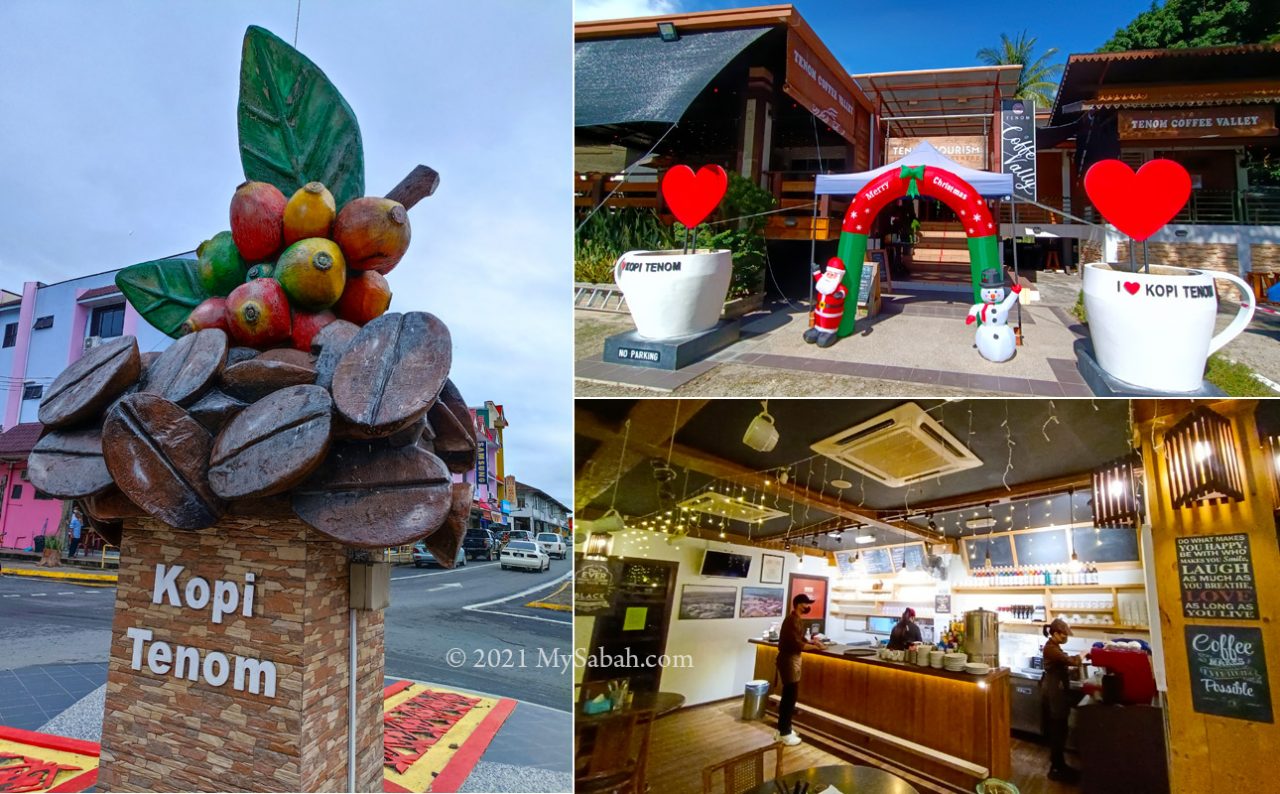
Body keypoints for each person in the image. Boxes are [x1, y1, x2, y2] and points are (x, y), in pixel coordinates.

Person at [774, 593, 826, 747]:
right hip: (789, 661)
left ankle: (784, 729)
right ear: (798, 604)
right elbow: (798, 644)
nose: (808, 606)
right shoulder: (792, 620)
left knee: (789, 696)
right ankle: (784, 733)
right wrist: (817, 647)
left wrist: (812, 642)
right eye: (806, 604)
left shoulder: (795, 619)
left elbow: (800, 639)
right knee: (789, 697)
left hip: (790, 660)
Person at [1041, 618, 1085, 782]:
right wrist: (1082, 655)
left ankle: (1060, 765)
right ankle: (1057, 768)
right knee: (1058, 729)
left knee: (1060, 729)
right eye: (1064, 635)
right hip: (1054, 693)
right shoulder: (1050, 648)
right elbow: (1069, 661)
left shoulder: (1055, 646)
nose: (1066, 637)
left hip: (1057, 691)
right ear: (1056, 634)